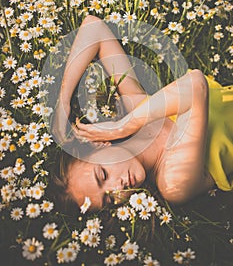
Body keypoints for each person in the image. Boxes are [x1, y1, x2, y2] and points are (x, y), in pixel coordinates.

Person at [51, 15, 233, 212]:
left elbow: (94, 28)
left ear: (98, 144)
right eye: (108, 200)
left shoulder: (137, 107)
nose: (117, 189)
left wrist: (63, 103)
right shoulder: (172, 183)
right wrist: (123, 126)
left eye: (103, 175)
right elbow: (196, 86)